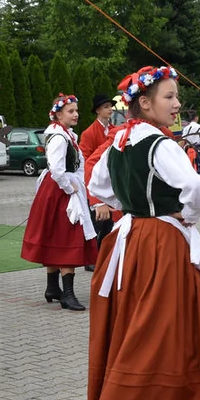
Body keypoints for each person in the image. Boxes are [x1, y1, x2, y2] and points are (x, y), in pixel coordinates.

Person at [87, 65, 200, 400]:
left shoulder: (118, 141)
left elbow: (98, 187)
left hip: (132, 239)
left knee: (148, 325)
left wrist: (130, 204)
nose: (177, 104)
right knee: (164, 329)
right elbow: (198, 188)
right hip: (163, 242)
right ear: (144, 103)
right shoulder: (161, 145)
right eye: (169, 97)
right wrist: (187, 216)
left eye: (176, 96)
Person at [21, 94, 98, 310]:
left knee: (57, 235)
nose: (75, 114)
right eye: (71, 111)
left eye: (76, 110)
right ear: (58, 114)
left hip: (59, 190)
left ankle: (53, 287)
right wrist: (69, 187)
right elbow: (56, 168)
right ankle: (67, 294)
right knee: (67, 237)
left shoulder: (66, 135)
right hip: (60, 192)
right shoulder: (58, 137)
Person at [80, 94, 117, 271]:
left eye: (111, 106)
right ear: (97, 110)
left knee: (110, 222)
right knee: (96, 223)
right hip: (94, 181)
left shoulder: (115, 130)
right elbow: (85, 159)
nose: (110, 109)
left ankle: (102, 254)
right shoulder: (89, 133)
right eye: (106, 107)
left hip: (111, 183)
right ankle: (90, 258)